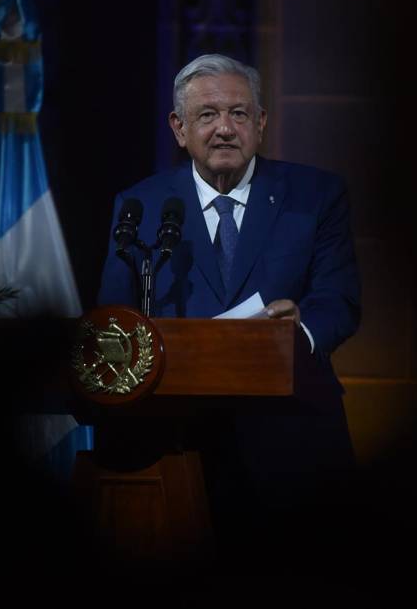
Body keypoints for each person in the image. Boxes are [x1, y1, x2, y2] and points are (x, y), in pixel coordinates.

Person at [96, 53, 362, 549]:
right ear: (178, 128)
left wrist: (295, 334)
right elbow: (115, 320)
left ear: (260, 123)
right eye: (207, 115)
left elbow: (339, 299)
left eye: (239, 114)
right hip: (177, 440)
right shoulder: (140, 205)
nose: (224, 129)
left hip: (291, 432)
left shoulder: (314, 194)